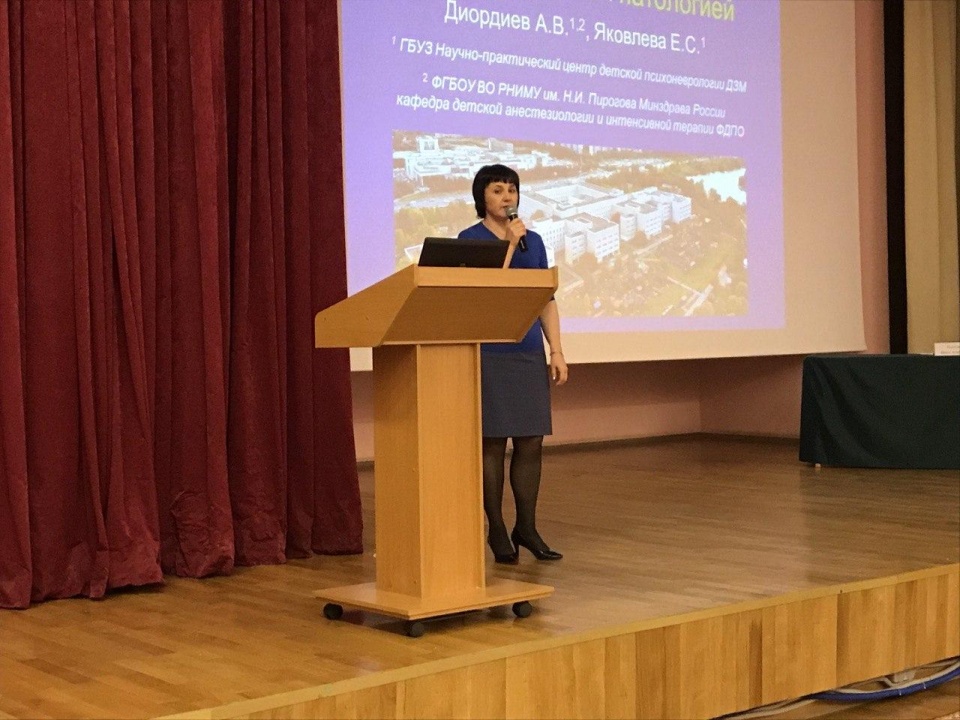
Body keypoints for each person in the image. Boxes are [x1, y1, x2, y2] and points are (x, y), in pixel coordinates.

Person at [458, 164, 569, 564]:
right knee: (492, 443)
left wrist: (556, 350)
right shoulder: (469, 240)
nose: (507, 197)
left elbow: (545, 299)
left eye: (512, 190)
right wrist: (507, 244)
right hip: (488, 352)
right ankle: (496, 528)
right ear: (481, 198)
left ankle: (527, 527)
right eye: (497, 190)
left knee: (530, 440)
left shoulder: (533, 242)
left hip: (526, 350)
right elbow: (483, 292)